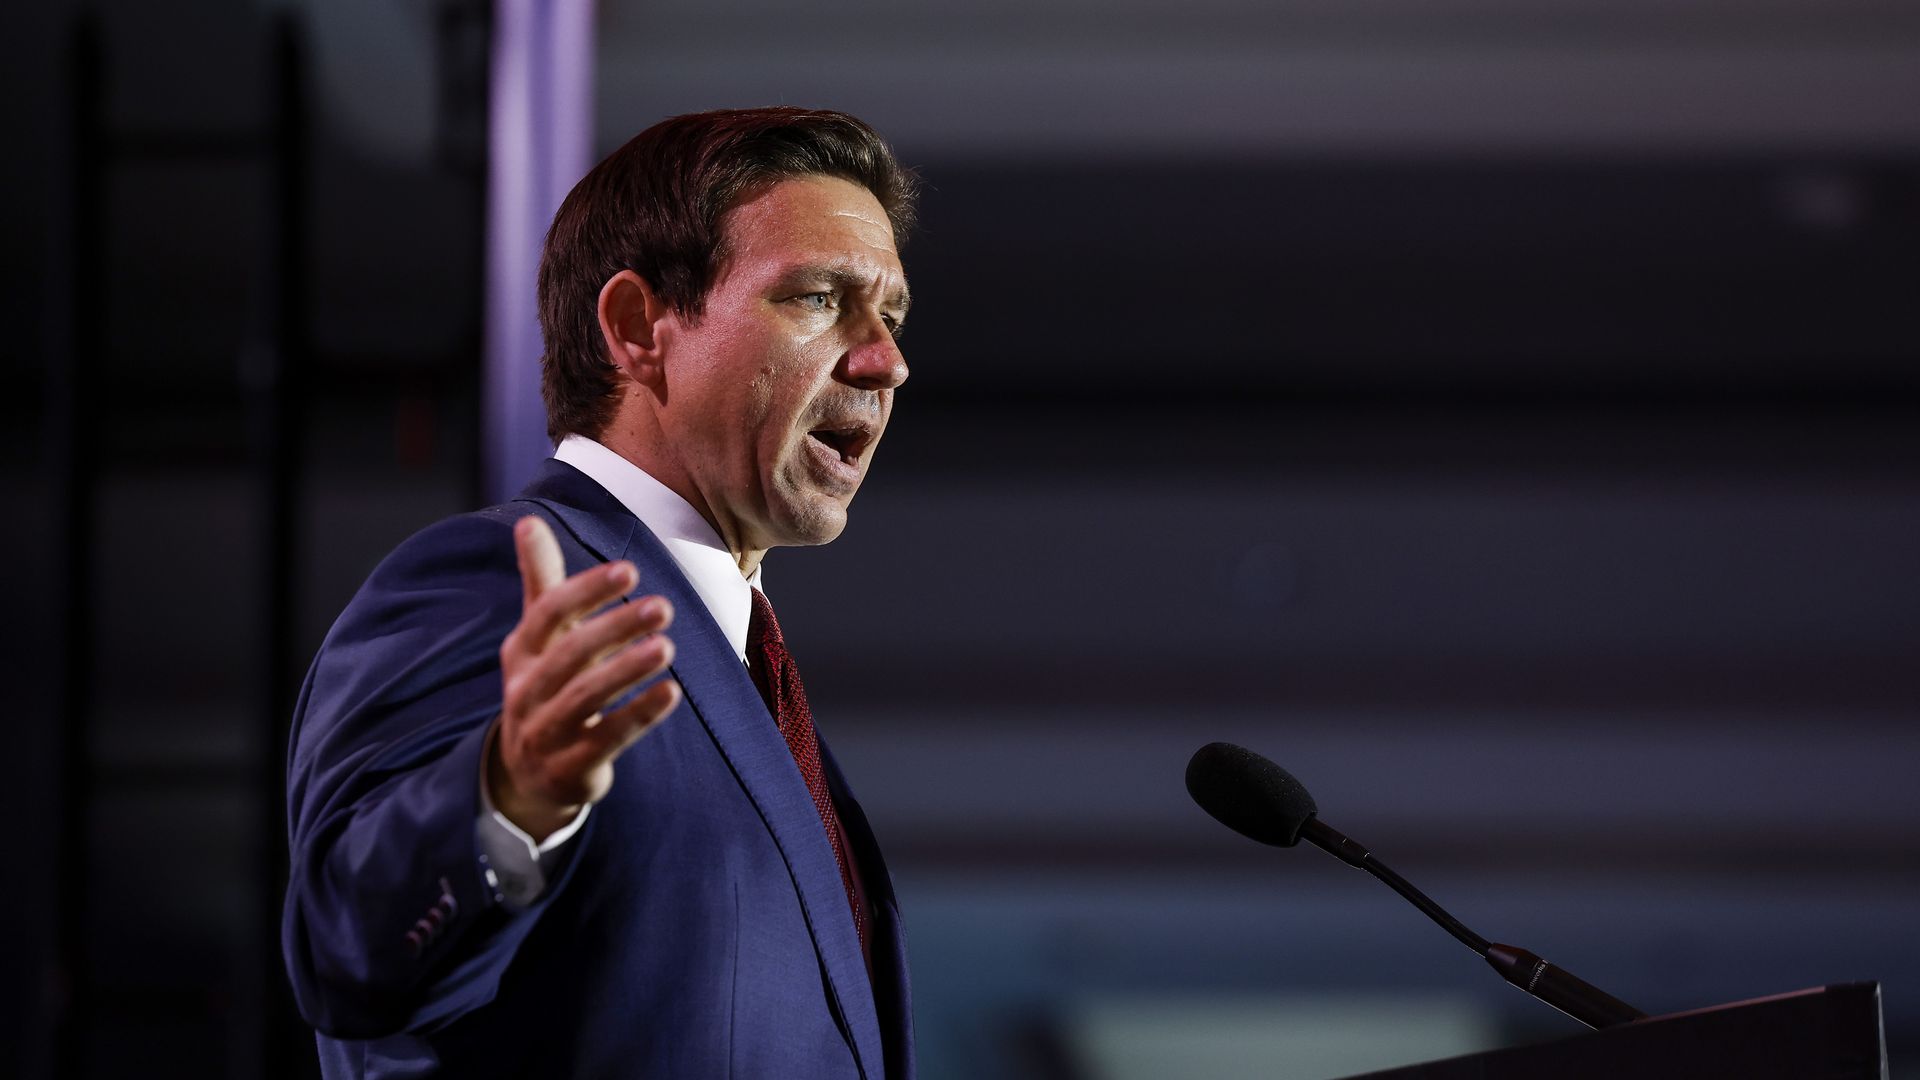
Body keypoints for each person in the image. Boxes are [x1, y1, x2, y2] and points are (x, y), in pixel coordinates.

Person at [282, 107, 918, 1079]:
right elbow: (348, 952)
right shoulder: (502, 586)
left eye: (892, 315)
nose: (884, 359)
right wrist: (506, 798)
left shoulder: (751, 673)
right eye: (819, 299)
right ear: (636, 329)